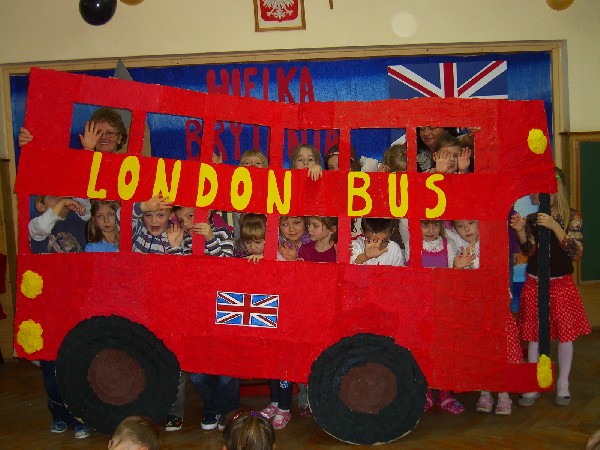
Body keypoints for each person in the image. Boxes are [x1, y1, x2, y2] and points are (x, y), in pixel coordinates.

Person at [510, 167, 590, 407]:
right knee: (534, 334)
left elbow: (575, 252)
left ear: (556, 190)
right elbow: (529, 250)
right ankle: (534, 382)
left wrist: (555, 226)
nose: (535, 194)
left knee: (565, 335)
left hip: (561, 284)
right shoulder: (533, 219)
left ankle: (563, 384)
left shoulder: (572, 217)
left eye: (541, 189)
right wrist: (521, 232)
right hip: (535, 283)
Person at [164, 206, 235, 431]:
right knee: (198, 373)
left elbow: (226, 267)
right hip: (196, 316)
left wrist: (210, 239)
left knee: (226, 372)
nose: (187, 223)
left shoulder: (223, 233)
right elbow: (178, 277)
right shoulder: (184, 239)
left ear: (208, 213)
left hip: (222, 313)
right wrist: (175, 246)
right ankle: (211, 407)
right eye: (182, 219)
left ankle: (226, 410)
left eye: (191, 216)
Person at [29, 195, 91, 438]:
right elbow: (43, 227)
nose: (63, 199)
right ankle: (58, 414)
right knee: (51, 369)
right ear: (40, 205)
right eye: (54, 196)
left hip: (75, 307)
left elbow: (88, 206)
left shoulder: (78, 219)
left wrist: (69, 201)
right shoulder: (36, 225)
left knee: (76, 366)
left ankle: (79, 416)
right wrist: (62, 203)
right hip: (49, 309)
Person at [18, 107, 128, 153]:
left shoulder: (130, 166)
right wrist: (30, 144)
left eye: (110, 133)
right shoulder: (76, 162)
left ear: (119, 138)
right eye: (98, 132)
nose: (103, 137)